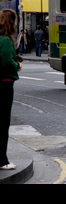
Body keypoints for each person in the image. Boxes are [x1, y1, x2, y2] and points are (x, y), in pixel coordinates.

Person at [0, 9, 22, 170]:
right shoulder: (6, 41)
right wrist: (17, 65)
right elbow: (6, 61)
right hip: (5, 83)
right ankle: (2, 160)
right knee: (3, 122)